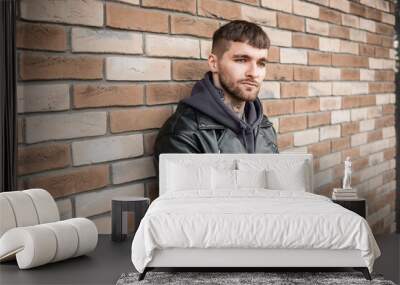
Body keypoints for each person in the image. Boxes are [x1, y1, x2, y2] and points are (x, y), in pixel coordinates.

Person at [154, 20, 279, 166]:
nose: (254, 73)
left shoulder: (264, 125)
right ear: (214, 63)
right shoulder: (183, 133)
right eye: (241, 60)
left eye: (261, 63)